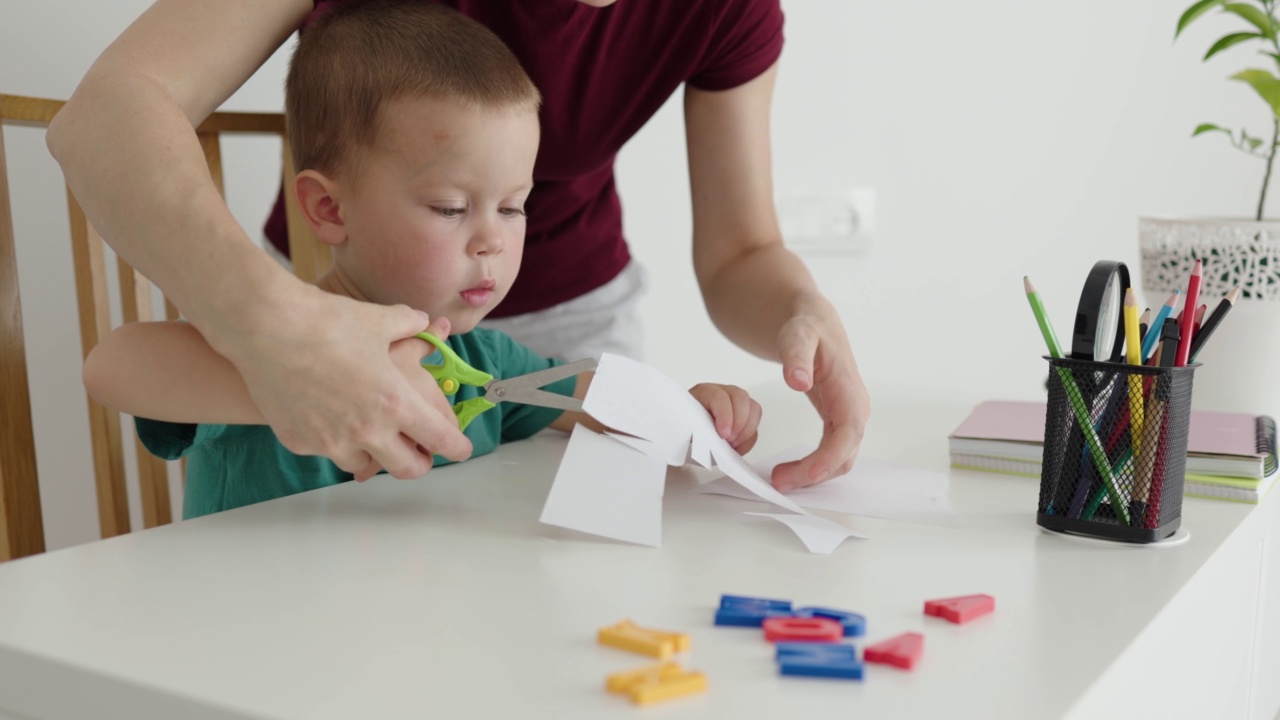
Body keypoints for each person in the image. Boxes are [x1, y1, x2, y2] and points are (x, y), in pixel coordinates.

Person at [50, 0, 869, 492]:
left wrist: (685, 409)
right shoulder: (260, 362)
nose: (490, 242)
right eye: (449, 206)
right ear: (327, 207)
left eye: (518, 206)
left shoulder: (487, 357)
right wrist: (277, 355)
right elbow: (117, 366)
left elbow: (575, 386)